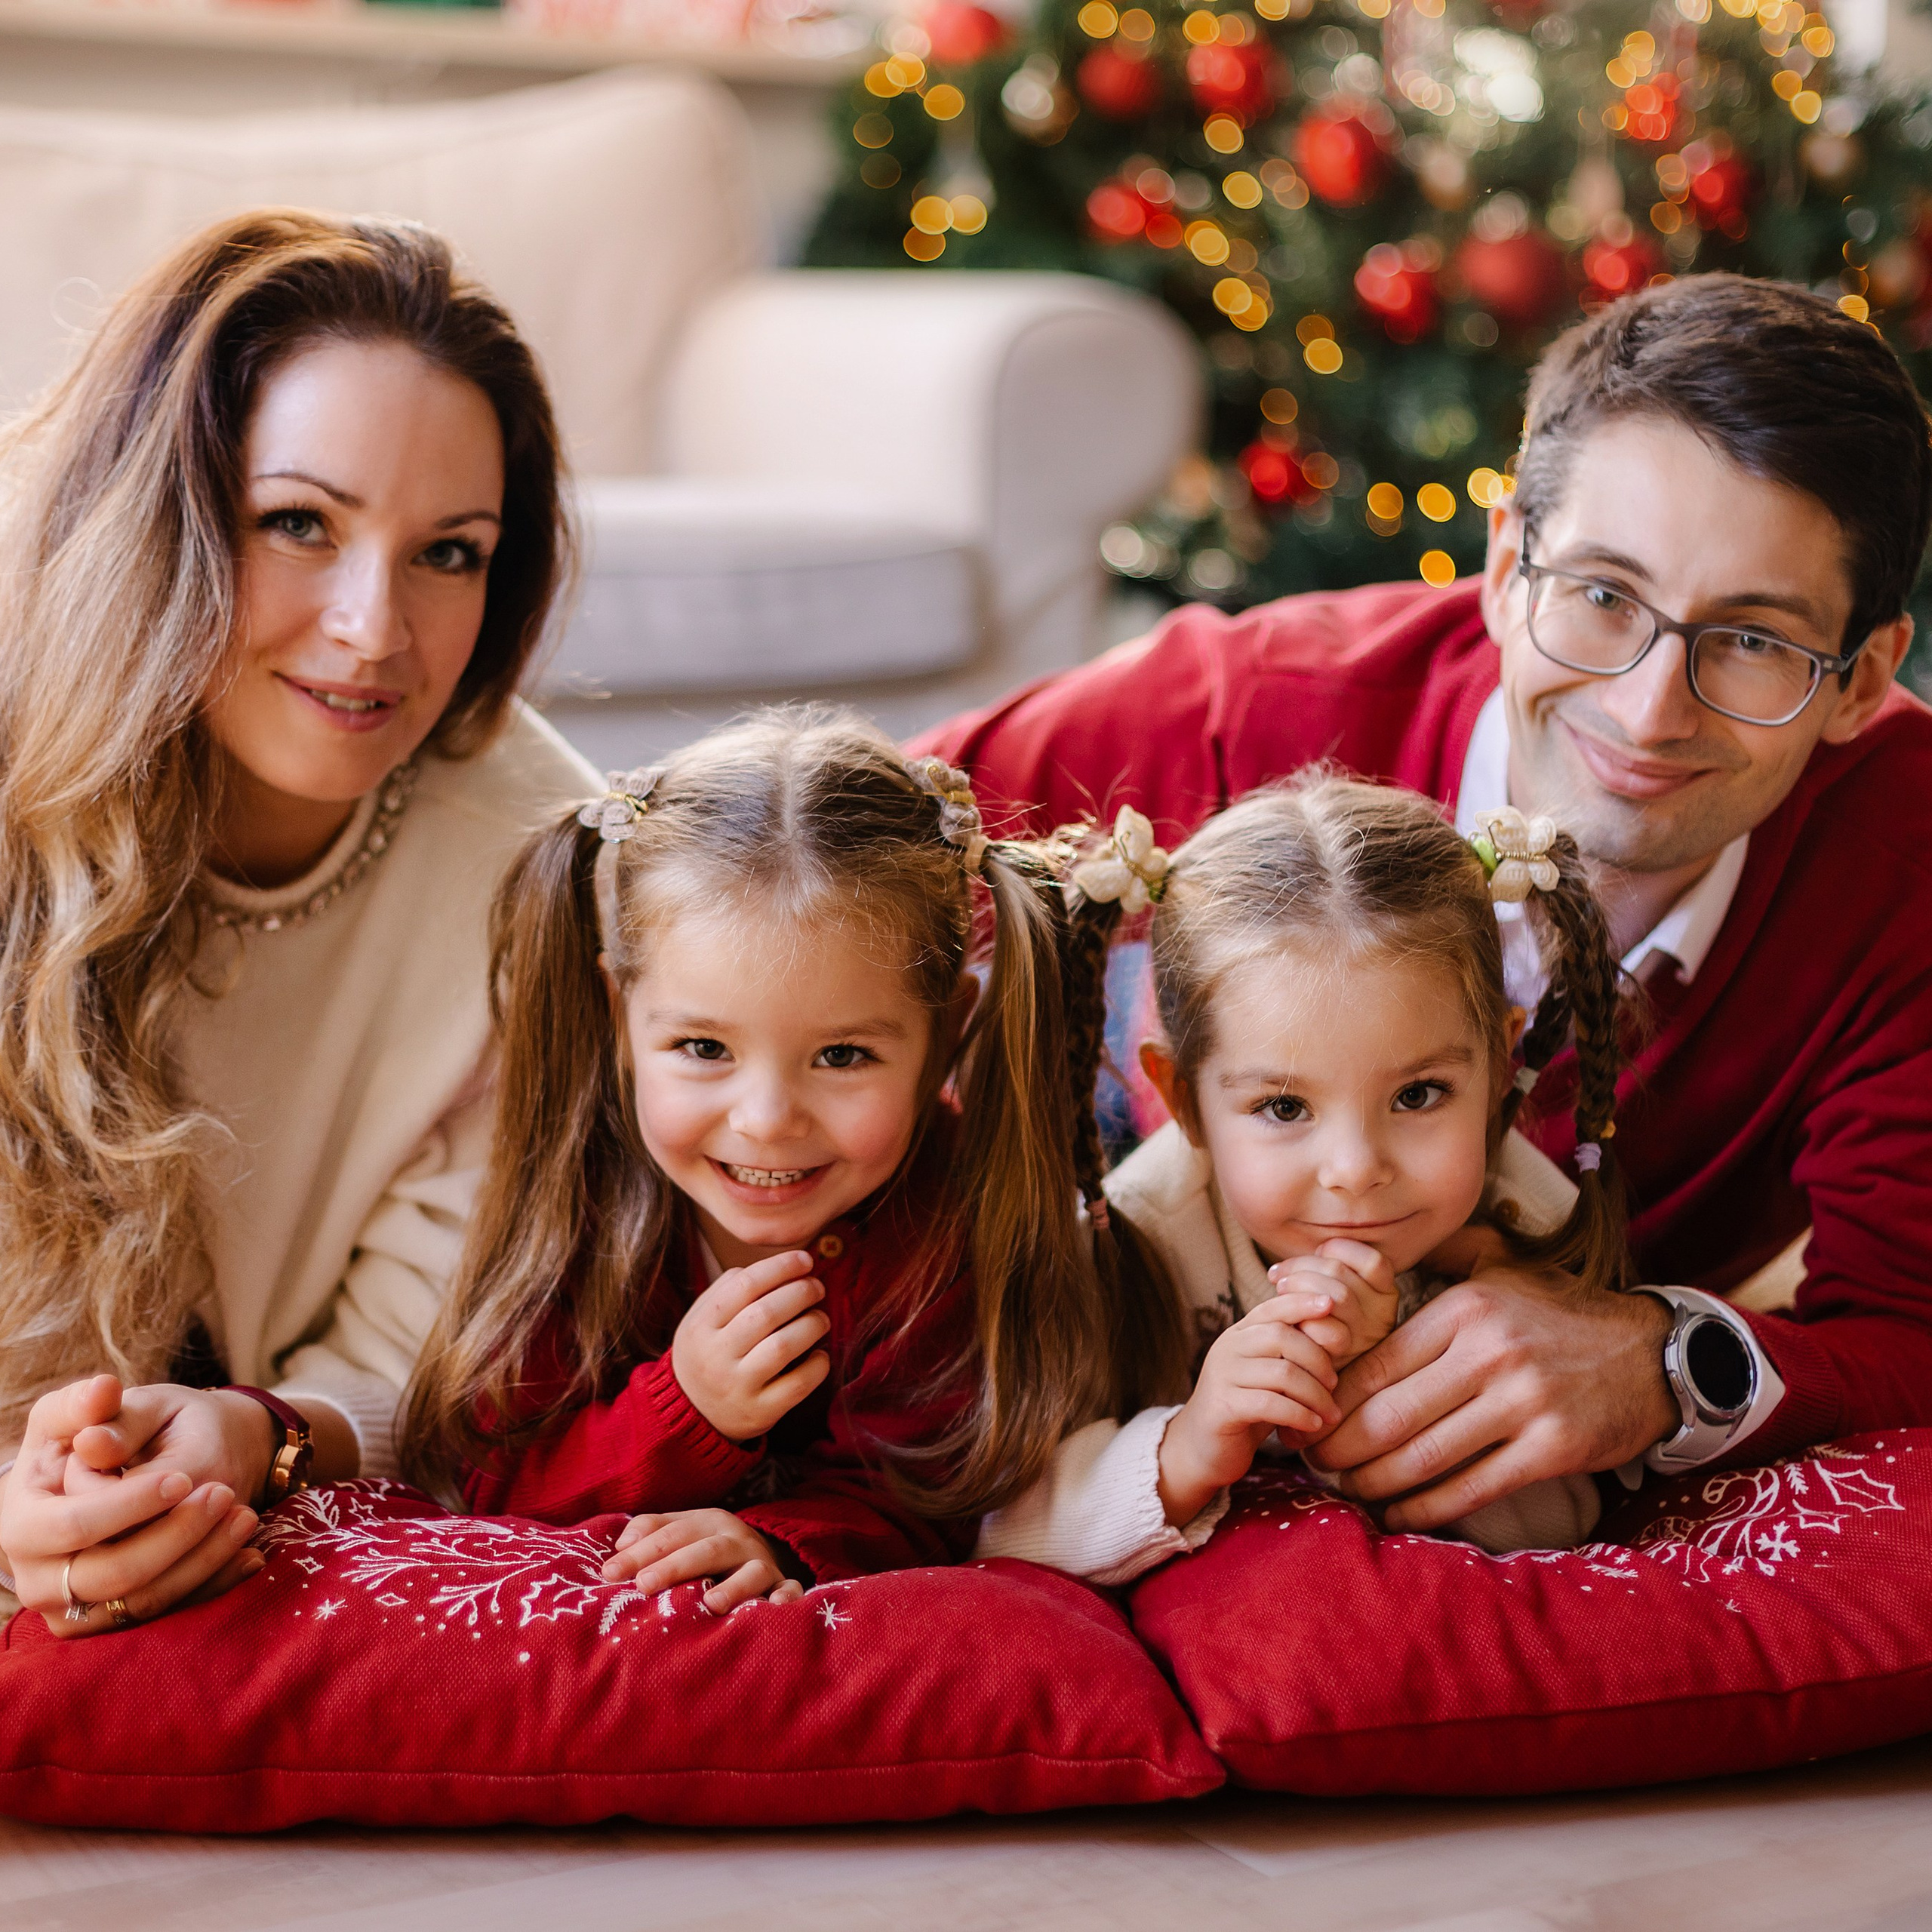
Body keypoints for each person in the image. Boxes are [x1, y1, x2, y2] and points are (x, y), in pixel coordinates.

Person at [917, 273, 1932, 1534]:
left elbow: (1908, 1328)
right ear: (1506, 566)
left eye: (1755, 640)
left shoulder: (1907, 873)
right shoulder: (1249, 708)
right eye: (1602, 595)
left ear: (1862, 682)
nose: (1648, 711)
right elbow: (802, 856)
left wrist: (1664, 1362)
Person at [0, 210, 598, 1636]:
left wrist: (265, 1441)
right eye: (297, 524)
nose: (373, 629)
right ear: (160, 515)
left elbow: (429, 1351)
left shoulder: (541, 862)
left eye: (449, 553)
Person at [401, 711, 1187, 1605]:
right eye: (703, 1047)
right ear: (621, 1016)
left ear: (944, 1037)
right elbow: (490, 1478)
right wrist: (684, 1409)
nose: (767, 1120)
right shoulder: (585, 1191)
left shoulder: (950, 1225)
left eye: (842, 1056)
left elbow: (942, 1496)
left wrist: (782, 1541)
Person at [979, 776, 1626, 1581]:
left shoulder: (1531, 1226)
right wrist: (1189, 1447)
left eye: (1417, 1095)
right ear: (1183, 1101)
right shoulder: (1134, 1241)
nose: (1355, 1170)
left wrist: (1380, 1370)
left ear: (1498, 1068)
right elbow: (1006, 1534)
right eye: (1283, 1107)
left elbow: (1566, 1523)